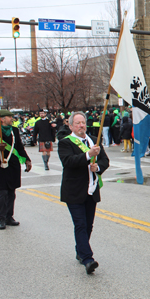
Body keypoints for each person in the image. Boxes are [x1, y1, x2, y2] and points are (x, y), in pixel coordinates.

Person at [58, 112, 110, 274]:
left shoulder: (93, 140)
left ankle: (80, 250)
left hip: (91, 189)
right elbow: (68, 162)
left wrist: (98, 167)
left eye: (83, 122)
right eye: (78, 123)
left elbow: (105, 160)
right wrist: (88, 155)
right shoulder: (65, 143)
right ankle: (88, 259)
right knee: (80, 224)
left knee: (88, 225)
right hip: (74, 191)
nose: (81, 125)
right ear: (71, 126)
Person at [0, 110, 32, 230]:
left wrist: (27, 160)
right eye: (9, 117)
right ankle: (1, 218)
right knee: (2, 192)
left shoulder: (15, 130)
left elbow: (19, 147)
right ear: (2, 119)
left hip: (12, 165)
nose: (12, 119)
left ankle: (9, 217)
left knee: (11, 192)